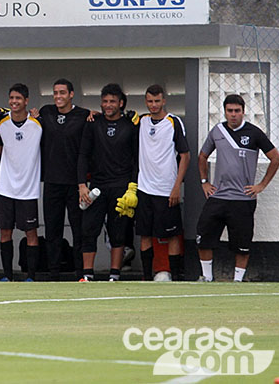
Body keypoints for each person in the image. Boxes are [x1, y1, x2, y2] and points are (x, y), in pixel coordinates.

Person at [197, 94, 279, 282]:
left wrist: (261, 185)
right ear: (225, 112)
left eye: (237, 111)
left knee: (242, 244)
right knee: (204, 236)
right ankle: (207, 278)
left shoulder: (254, 133)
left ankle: (238, 281)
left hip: (243, 199)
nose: (233, 114)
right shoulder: (217, 131)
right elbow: (202, 156)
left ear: (243, 112)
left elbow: (275, 158)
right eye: (230, 111)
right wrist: (205, 182)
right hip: (218, 196)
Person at [77, 83, 139, 282]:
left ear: (121, 103)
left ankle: (114, 275)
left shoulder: (131, 125)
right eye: (105, 101)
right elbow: (83, 155)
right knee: (89, 230)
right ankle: (87, 274)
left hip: (121, 186)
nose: (108, 105)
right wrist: (81, 185)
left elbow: (136, 159)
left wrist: (133, 187)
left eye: (112, 101)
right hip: (96, 186)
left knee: (118, 233)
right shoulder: (93, 123)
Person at [136, 85, 190, 281]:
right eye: (150, 101)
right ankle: (146, 277)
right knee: (145, 234)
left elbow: (185, 156)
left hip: (167, 189)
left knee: (172, 234)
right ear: (145, 101)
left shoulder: (173, 122)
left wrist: (177, 186)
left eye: (157, 101)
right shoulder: (141, 121)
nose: (153, 105)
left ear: (164, 101)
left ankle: (175, 276)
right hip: (144, 188)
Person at [39, 79, 91, 281]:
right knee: (53, 230)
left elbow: (85, 152)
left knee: (79, 230)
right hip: (52, 182)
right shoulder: (46, 112)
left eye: (62, 92)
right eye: (55, 93)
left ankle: (80, 273)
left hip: (75, 184)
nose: (58, 96)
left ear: (71, 94)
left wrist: (82, 183)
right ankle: (53, 274)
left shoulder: (84, 115)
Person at [0, 84, 42, 282]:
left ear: (26, 101)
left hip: (28, 190)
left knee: (31, 233)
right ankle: (7, 275)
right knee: (5, 232)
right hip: (6, 188)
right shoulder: (1, 122)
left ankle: (31, 277)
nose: (14, 101)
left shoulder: (38, 123)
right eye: (11, 98)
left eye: (18, 98)